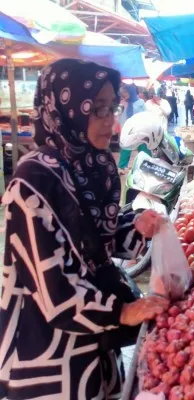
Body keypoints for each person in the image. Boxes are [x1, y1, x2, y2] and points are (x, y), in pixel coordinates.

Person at [0, 59, 169, 399]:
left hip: (96, 343)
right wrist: (122, 311)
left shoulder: (90, 164)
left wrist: (137, 227)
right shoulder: (33, 180)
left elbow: (94, 239)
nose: (113, 122)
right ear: (69, 109)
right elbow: (52, 289)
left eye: (113, 108)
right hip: (50, 355)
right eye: (98, 110)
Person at [118, 83, 150, 172]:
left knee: (143, 146)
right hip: (127, 129)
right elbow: (119, 116)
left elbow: (145, 115)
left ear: (131, 92)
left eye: (125, 92)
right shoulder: (122, 103)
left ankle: (147, 164)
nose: (123, 94)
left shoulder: (140, 102)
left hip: (139, 129)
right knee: (126, 147)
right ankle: (122, 166)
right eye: (122, 92)